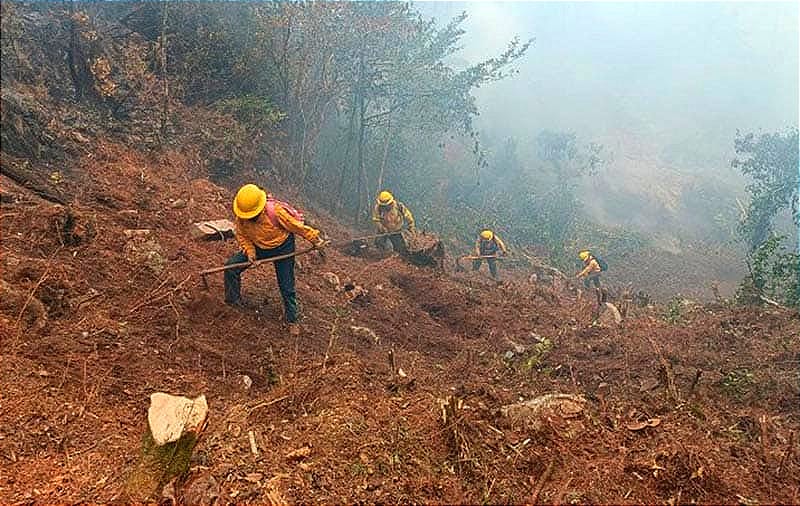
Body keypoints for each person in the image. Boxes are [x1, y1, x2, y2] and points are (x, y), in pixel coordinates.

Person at [224, 183, 326, 335]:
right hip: (259, 247)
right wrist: (251, 253)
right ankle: (233, 302)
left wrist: (315, 239)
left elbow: (297, 227)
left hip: (282, 247)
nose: (250, 218)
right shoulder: (242, 218)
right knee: (231, 267)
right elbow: (242, 236)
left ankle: (292, 319)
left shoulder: (275, 212)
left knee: (286, 285)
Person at [371, 190, 415, 255]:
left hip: (396, 231)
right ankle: (382, 257)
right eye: (383, 205)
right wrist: (382, 228)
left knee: (401, 250)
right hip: (383, 231)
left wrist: (411, 227)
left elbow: (408, 216)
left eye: (387, 205)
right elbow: (376, 219)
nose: (385, 207)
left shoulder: (398, 206)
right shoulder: (378, 208)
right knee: (378, 245)